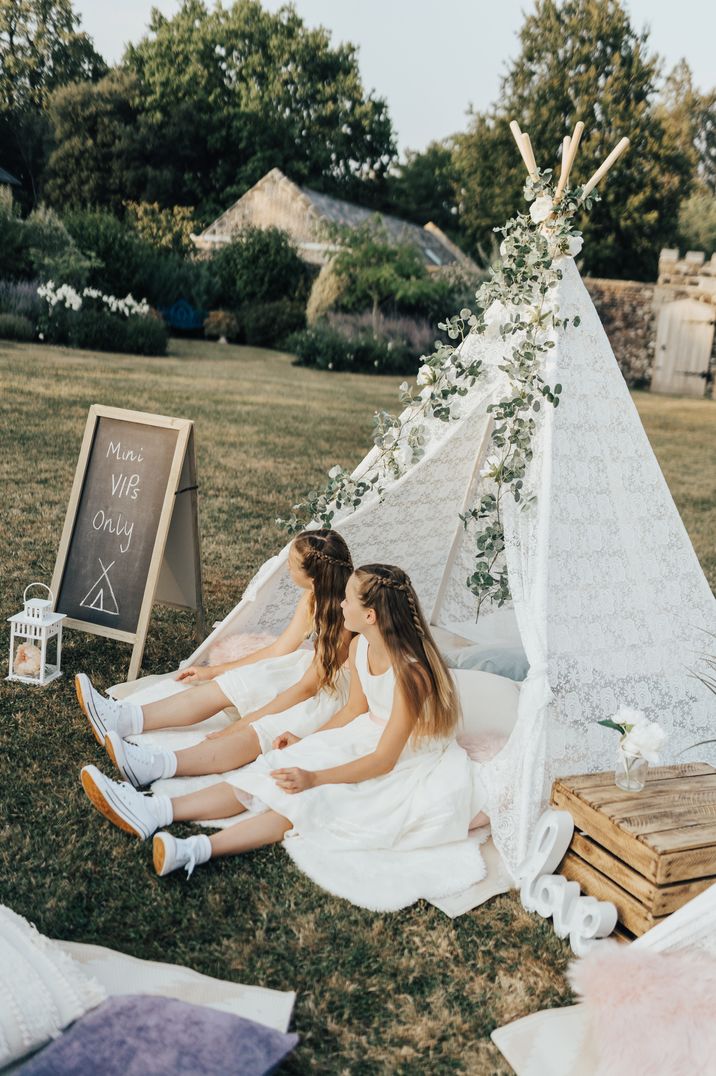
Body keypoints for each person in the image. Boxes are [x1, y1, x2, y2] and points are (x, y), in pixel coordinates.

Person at [80, 563, 487, 879]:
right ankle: (157, 810)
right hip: (364, 735)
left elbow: (384, 759)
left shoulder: (411, 673)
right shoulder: (361, 646)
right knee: (272, 770)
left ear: (372, 616)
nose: (341, 605)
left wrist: (317, 777)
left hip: (403, 757)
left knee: (305, 799)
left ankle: (198, 849)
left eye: (349, 600)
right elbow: (352, 712)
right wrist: (307, 737)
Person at [75, 529, 354, 785]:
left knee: (261, 727)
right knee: (244, 680)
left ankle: (161, 764)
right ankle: (126, 718)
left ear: (313, 576)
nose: (288, 567)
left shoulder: (343, 624)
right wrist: (216, 671)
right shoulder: (312, 598)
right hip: (311, 673)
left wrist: (244, 722)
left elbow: (306, 689)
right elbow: (278, 650)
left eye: (292, 564)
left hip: (332, 691)